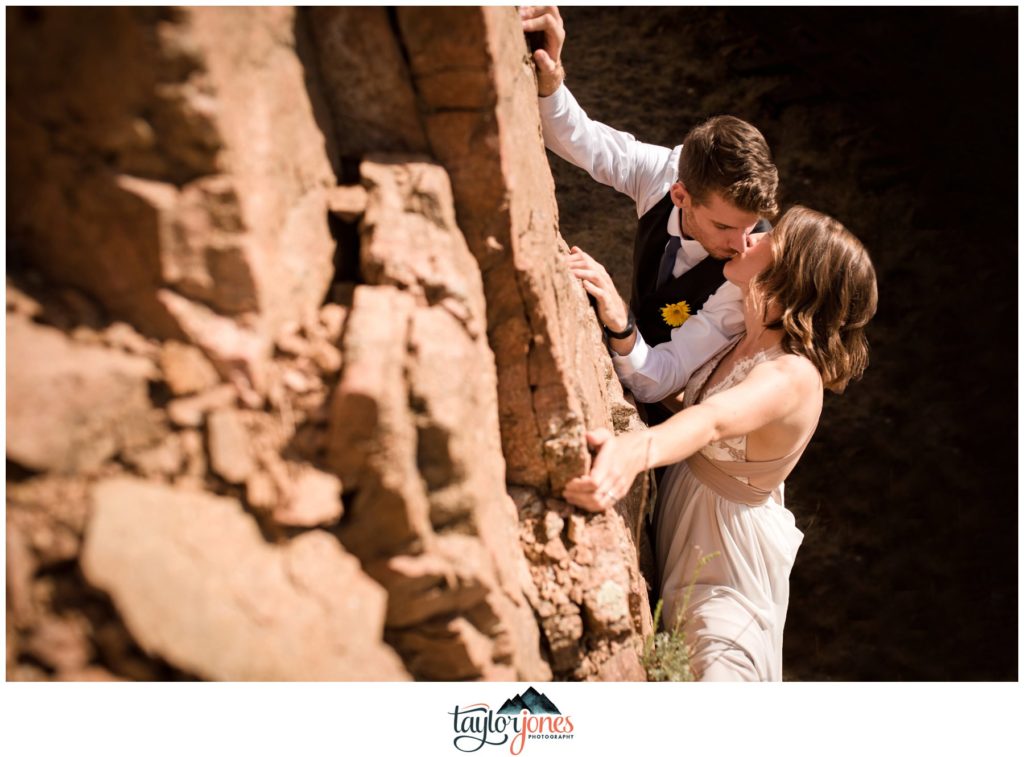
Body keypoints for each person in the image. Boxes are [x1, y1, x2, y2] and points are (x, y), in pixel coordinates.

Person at [563, 206, 878, 681]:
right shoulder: (749, 334)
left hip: (728, 561)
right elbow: (691, 402)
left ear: (792, 270)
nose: (753, 237)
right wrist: (619, 328)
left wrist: (634, 451)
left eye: (774, 238)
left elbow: (710, 421)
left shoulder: (794, 374)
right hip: (692, 524)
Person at [520, 6, 780, 427]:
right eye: (724, 225)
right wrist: (551, 83)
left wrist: (620, 323)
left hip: (687, 413)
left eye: (750, 226)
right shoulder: (664, 173)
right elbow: (585, 142)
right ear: (680, 194)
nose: (741, 243)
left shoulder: (749, 272)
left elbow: (662, 380)